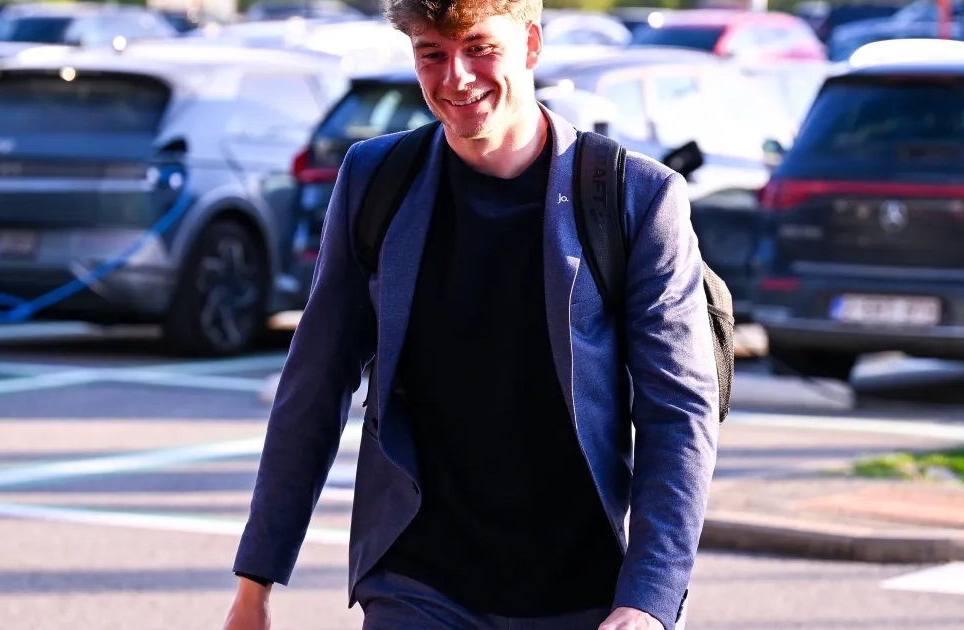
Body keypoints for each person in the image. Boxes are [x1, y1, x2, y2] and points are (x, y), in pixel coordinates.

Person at [222, 0, 721, 627]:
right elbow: (314, 383)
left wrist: (646, 603)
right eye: (432, 54)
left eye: (480, 48)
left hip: (584, 591)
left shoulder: (634, 196)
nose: (455, 77)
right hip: (416, 583)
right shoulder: (377, 180)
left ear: (531, 45)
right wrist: (256, 582)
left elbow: (678, 410)